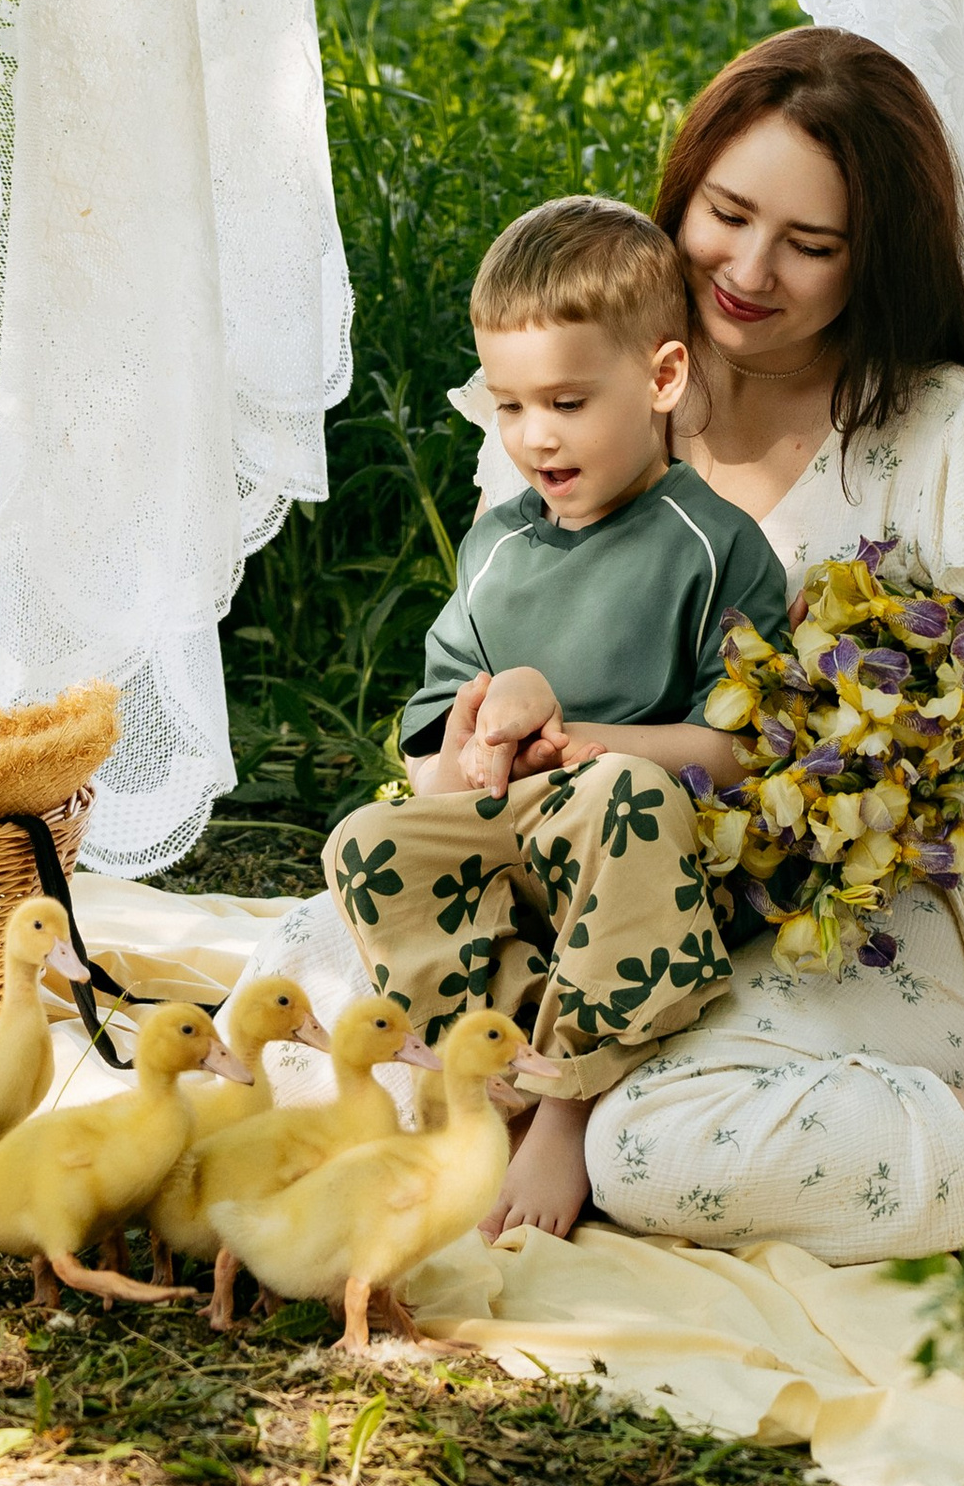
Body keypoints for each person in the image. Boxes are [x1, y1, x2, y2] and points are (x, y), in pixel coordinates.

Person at [457, 31, 964, 1262]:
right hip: (600, 889)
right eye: (725, 215)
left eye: (811, 246)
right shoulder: (576, 399)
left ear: (870, 262)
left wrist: (846, 782)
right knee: (354, 1015)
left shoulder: (948, 442)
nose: (747, 270)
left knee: (651, 1146)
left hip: (880, 920)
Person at [323, 194, 789, 1241]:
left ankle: (570, 1104)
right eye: (511, 407)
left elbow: (740, 749)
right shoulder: (497, 548)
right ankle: (488, 1068)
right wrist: (481, 740)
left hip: (650, 860)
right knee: (366, 841)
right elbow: (431, 758)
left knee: (618, 793)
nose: (537, 438)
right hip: (517, 832)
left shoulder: (709, 548)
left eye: (568, 404)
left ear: (662, 378)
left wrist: (577, 739)